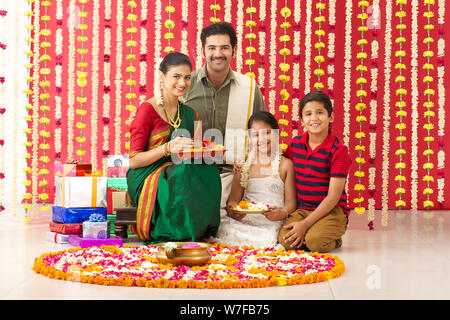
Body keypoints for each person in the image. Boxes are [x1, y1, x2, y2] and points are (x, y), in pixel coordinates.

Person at [126, 52, 221, 244]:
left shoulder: (189, 113)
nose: (182, 83)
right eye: (176, 76)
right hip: (147, 173)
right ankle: (172, 232)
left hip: (178, 168)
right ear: (162, 77)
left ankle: (199, 228)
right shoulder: (147, 110)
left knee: (208, 169)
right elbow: (134, 161)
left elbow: (193, 153)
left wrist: (209, 151)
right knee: (184, 173)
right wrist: (167, 148)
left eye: (187, 77)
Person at [183, 22, 267, 213]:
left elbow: (264, 134)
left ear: (234, 51)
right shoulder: (185, 85)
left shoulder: (249, 87)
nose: (218, 53)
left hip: (235, 174)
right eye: (212, 48)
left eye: (224, 48)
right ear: (203, 51)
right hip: (192, 171)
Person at [277, 91, 352, 253]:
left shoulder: (338, 151)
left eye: (320, 113)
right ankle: (311, 232)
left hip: (332, 211)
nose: (314, 118)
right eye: (308, 114)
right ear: (302, 120)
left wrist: (304, 225)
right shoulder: (296, 145)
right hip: (303, 209)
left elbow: (333, 197)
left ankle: (333, 238)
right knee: (285, 240)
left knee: (315, 242)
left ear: (330, 117)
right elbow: (278, 164)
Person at [211, 111, 297, 248]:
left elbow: (291, 203)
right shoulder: (244, 163)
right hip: (245, 221)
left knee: (269, 238)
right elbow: (233, 200)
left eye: (266, 133)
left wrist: (282, 213)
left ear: (276, 134)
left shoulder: (286, 165)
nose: (261, 139)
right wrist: (234, 211)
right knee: (222, 228)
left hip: (271, 222)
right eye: (255, 135)